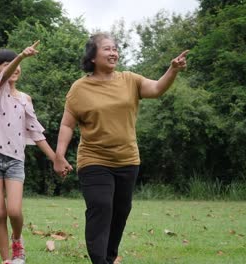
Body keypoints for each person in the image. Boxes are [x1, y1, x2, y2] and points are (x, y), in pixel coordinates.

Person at [53, 32, 188, 264]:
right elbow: (67, 124)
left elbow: (156, 89)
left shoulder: (129, 80)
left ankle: (108, 257)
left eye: (115, 48)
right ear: (93, 56)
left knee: (120, 212)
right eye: (107, 48)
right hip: (94, 159)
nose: (113, 52)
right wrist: (59, 155)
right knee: (101, 207)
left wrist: (172, 70)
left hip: (127, 160)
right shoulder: (79, 88)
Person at [0, 41, 71, 264]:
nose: (14, 68)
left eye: (16, 64)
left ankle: (17, 240)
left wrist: (56, 159)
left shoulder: (25, 99)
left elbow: (36, 132)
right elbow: (3, 78)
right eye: (6, 64)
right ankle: (7, 260)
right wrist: (20, 56)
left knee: (14, 211)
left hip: (15, 160)